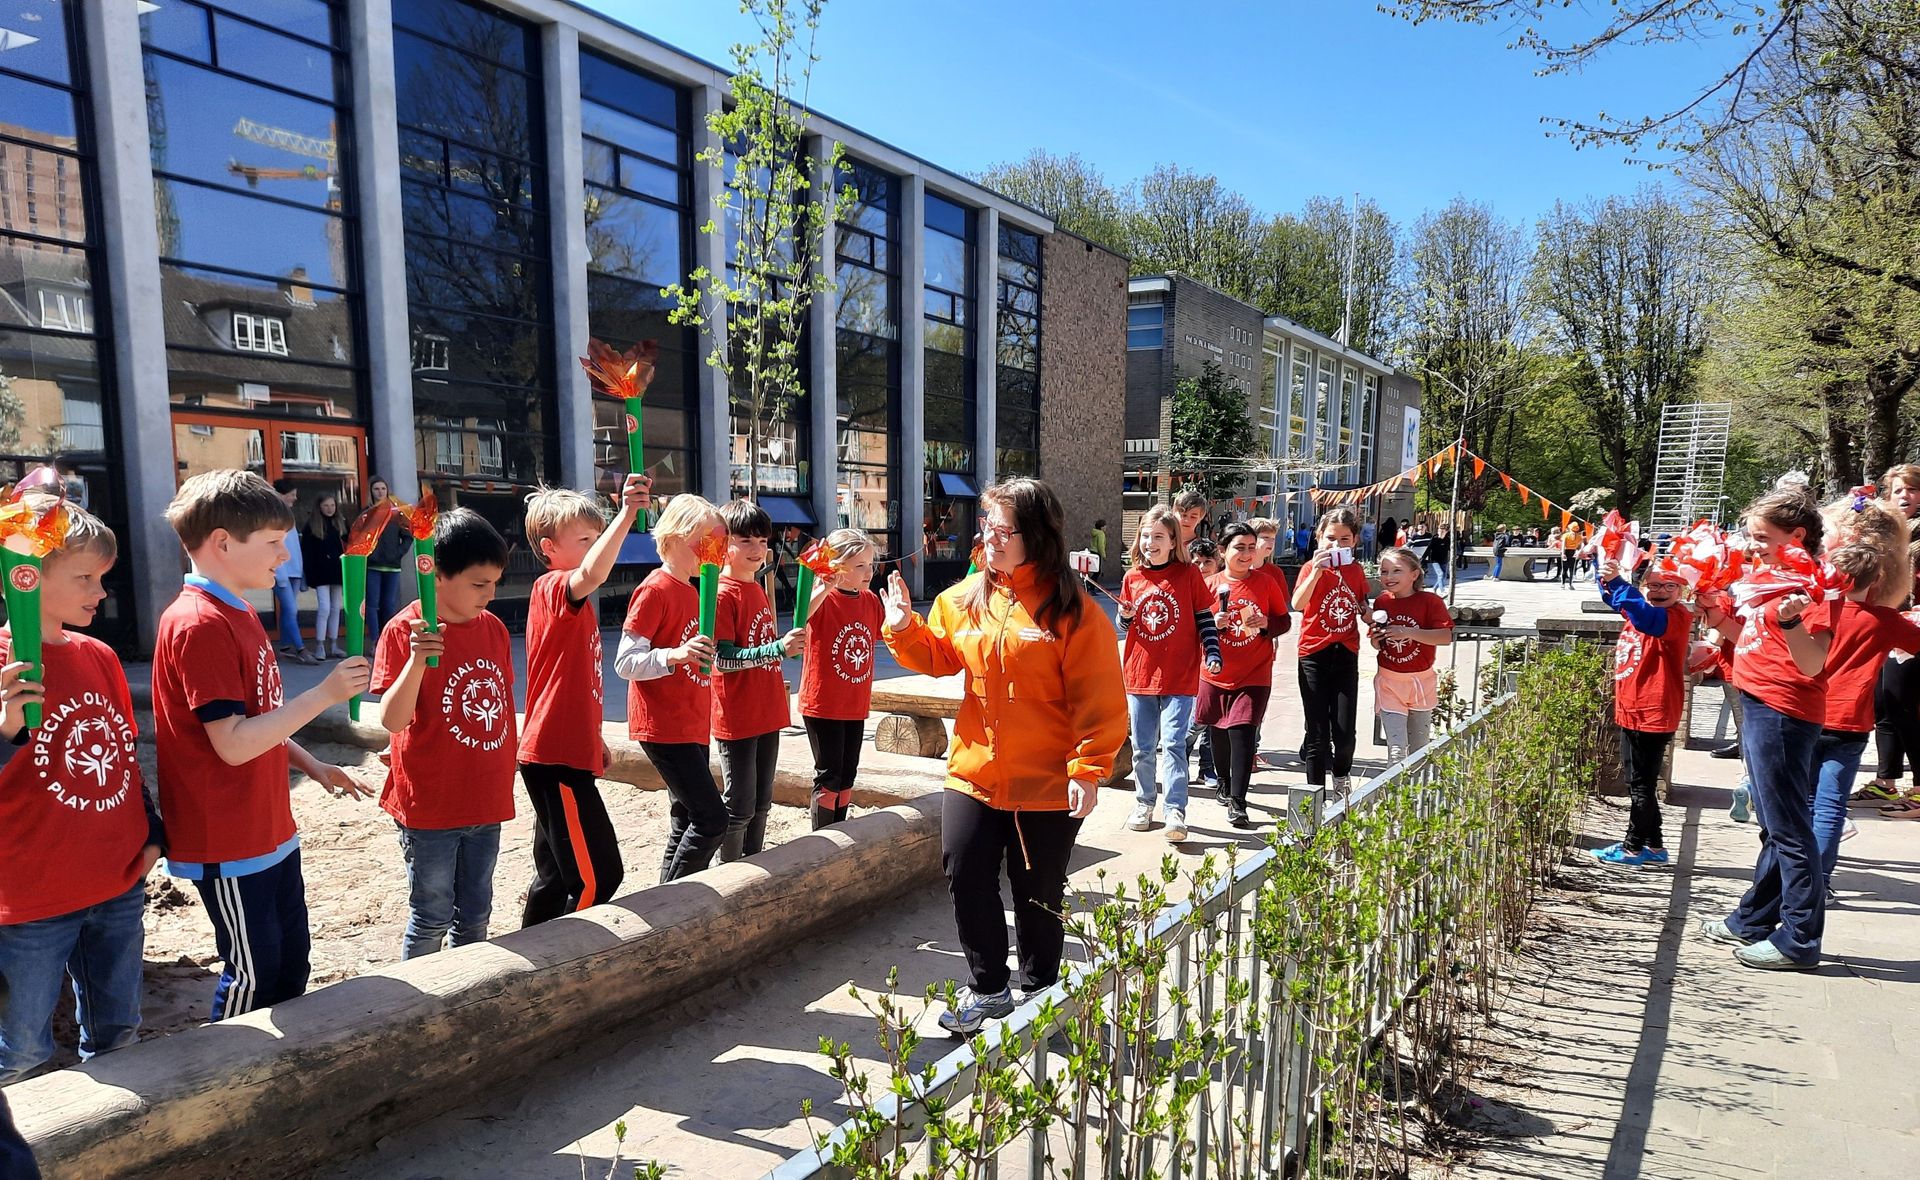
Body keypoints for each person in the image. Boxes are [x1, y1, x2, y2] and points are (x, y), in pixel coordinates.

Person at [882, 478, 1126, 1035]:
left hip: (1046, 780)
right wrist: (902, 629)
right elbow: (941, 656)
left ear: (1036, 537)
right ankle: (989, 989)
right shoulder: (967, 596)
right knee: (964, 871)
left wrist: (1089, 769)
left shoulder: (1073, 612)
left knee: (1038, 891)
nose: (988, 537)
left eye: (1002, 529)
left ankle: (1042, 991)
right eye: (986, 526)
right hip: (974, 771)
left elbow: (1099, 699)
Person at [152, 470, 372, 1020]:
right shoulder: (198, 623)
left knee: (290, 963)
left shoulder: (240, 610)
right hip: (226, 839)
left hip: (268, 828)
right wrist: (323, 694)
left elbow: (259, 721)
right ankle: (233, 1081)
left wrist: (312, 763)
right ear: (223, 542)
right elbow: (231, 743)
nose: (283, 554)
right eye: (273, 542)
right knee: (253, 973)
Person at [0, 497, 160, 1082]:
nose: (101, 591)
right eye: (85, 577)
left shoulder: (100, 656)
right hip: (32, 897)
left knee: (119, 1033)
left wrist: (153, 832)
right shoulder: (2, 662)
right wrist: (5, 732)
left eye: (103, 577)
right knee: (18, 1051)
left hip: (116, 881)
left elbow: (121, 753)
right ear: (26, 574)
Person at [371, 509, 515, 958]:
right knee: (431, 914)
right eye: (478, 584)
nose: (490, 596)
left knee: (475, 914)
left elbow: (503, 707)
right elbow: (392, 720)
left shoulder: (492, 630)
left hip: (485, 800)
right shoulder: (404, 631)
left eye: (495, 583)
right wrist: (417, 660)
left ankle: (466, 993)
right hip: (430, 806)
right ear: (435, 575)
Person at [1699, 484, 1831, 971]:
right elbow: (1750, 636)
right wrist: (1715, 616)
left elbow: (1814, 662)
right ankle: (1752, 919)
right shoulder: (1772, 579)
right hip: (1759, 704)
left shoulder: (1812, 586)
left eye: (1760, 536)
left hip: (1782, 712)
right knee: (1774, 827)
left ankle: (1800, 939)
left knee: (1789, 829)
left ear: (1795, 536)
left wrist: (1794, 622)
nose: (1751, 544)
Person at [517, 475, 649, 926]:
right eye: (585, 539)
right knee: (599, 877)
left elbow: (577, 686)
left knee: (553, 875)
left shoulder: (573, 600)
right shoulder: (554, 587)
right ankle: (574, 956)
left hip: (566, 750)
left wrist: (595, 740)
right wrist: (628, 514)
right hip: (555, 756)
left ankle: (530, 950)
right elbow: (593, 571)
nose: (595, 547)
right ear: (550, 547)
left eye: (597, 537)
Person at [616, 495, 727, 882]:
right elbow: (625, 662)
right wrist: (676, 655)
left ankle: (669, 898)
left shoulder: (694, 591)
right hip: (663, 725)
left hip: (690, 721)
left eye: (719, 544)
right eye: (707, 542)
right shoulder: (655, 589)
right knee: (711, 819)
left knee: (685, 817)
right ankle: (671, 902)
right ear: (678, 536)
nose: (714, 553)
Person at [1811, 544, 1920, 892]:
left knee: (1803, 802)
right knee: (1831, 807)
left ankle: (1793, 879)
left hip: (1806, 715)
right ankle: (1820, 882)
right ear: (1877, 582)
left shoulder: (1816, 611)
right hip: (1851, 722)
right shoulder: (1885, 620)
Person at [1119, 506, 1221, 842]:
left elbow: (1204, 618)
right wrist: (1126, 616)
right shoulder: (1132, 577)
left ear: (1173, 540)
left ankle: (1175, 810)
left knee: (1175, 744)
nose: (1151, 542)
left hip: (1180, 675)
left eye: (1159, 536)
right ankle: (1144, 802)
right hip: (1139, 675)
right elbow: (1123, 624)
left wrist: (1214, 651)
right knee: (1142, 747)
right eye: (1146, 536)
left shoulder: (1188, 574)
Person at [713, 501, 804, 862]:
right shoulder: (721, 593)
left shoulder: (756, 588)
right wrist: (777, 650)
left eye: (763, 541)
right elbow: (723, 657)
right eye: (745, 540)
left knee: (763, 801)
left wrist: (783, 648)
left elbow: (766, 645)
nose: (757, 549)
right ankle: (730, 870)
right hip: (737, 716)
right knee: (739, 806)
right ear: (724, 544)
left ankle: (754, 864)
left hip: (768, 710)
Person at [1591, 557, 1692, 868]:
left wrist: (1622, 584)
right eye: (1654, 585)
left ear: (1682, 591)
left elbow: (1647, 618)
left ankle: (1633, 847)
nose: (1660, 591)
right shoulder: (1638, 609)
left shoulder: (1675, 617)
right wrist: (1605, 574)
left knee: (1641, 784)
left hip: (1654, 710)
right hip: (1631, 708)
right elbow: (1616, 599)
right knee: (1639, 783)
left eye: (1669, 586)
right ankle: (1655, 846)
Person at [1201, 523, 1291, 829]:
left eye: (1252, 547)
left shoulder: (1266, 583)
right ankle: (1224, 783)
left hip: (1255, 672)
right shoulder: (1209, 585)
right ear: (1223, 551)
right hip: (1215, 672)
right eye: (1240, 547)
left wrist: (1266, 623)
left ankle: (1239, 802)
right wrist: (1214, 623)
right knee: (1219, 732)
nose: (1247, 553)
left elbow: (1284, 621)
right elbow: (1194, 628)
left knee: (1243, 733)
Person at [798, 529, 882, 829]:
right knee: (829, 773)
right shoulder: (824, 599)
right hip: (824, 703)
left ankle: (839, 828)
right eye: (859, 566)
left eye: (871, 565)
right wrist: (822, 588)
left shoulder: (871, 600)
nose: (868, 572)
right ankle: (822, 836)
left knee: (848, 772)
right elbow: (800, 616)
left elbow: (890, 633)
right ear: (837, 566)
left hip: (854, 704)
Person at [1294, 507, 1370, 799]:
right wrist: (1316, 571)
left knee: (1345, 733)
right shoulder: (1309, 569)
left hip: (1346, 654)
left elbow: (1361, 603)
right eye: (1330, 538)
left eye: (1344, 539)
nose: (1337, 545)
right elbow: (1298, 603)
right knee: (1317, 735)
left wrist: (1369, 614)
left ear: (1354, 541)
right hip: (1314, 655)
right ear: (1318, 537)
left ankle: (1341, 781)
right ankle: (1314, 797)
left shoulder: (1356, 570)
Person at [1865, 465, 1920, 802]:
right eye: (1898, 490)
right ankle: (1885, 781)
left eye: (1912, 490)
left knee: (1903, 702)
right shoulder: (1883, 530)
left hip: (1914, 624)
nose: (1904, 496)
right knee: (1883, 702)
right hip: (1884, 620)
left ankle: (1918, 789)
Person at [1369, 546, 1453, 763]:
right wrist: (1376, 640)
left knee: (1419, 750)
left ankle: (1417, 795)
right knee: (1396, 750)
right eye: (1384, 571)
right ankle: (1392, 795)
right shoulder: (1382, 602)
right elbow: (1377, 645)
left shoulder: (1430, 601)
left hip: (1420, 683)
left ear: (1414, 574)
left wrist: (1408, 632)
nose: (1389, 577)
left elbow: (1445, 636)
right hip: (1389, 682)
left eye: (1396, 571)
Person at [269, 480, 317, 666]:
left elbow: (294, 546)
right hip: (281, 571)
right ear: (282, 494)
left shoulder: (288, 515)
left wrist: (300, 570)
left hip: (294, 570)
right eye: (292, 493)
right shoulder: (273, 516)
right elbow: (274, 545)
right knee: (291, 610)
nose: (295, 497)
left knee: (288, 611)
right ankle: (301, 649)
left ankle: (285, 647)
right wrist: (278, 573)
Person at [364, 476, 411, 642]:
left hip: (392, 565)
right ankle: (375, 640)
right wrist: (370, 554)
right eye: (376, 489)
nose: (380, 492)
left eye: (383, 489)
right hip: (372, 566)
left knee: (389, 604)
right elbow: (360, 537)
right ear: (371, 491)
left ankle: (388, 639)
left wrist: (398, 553)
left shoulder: (396, 514)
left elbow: (408, 536)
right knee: (372, 605)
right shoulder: (367, 514)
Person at [300, 494, 346, 659]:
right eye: (326, 506)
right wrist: (310, 575)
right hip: (320, 573)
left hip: (337, 572)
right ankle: (320, 645)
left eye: (332, 505)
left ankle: (334, 644)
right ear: (319, 507)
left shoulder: (340, 523)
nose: (330, 509)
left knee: (336, 608)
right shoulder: (311, 526)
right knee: (324, 608)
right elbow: (307, 553)